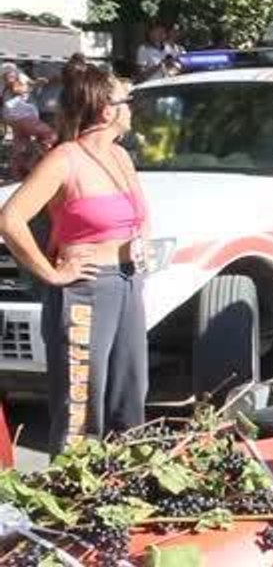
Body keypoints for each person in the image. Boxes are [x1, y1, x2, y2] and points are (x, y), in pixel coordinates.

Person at [0, 66, 150, 451]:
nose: (132, 109)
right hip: (86, 291)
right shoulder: (64, 159)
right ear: (106, 111)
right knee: (81, 411)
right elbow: (10, 219)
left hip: (127, 281)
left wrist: (141, 241)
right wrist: (51, 273)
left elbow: (140, 213)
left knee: (129, 401)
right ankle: (72, 496)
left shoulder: (120, 156)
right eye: (126, 101)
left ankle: (123, 491)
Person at [3, 62, 57, 181]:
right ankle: (34, 162)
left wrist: (36, 83)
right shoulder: (15, 78)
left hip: (14, 117)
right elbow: (17, 88)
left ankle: (18, 175)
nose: (10, 75)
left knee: (20, 146)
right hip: (24, 115)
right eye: (8, 73)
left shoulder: (18, 77)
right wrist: (35, 84)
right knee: (50, 135)